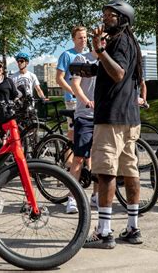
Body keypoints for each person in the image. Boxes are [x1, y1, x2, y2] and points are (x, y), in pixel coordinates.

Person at [83, 0, 143, 249]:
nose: (105, 18)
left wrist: (100, 51)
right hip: (129, 117)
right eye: (104, 14)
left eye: (111, 15)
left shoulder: (119, 41)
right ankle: (132, 228)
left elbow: (118, 73)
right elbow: (121, 74)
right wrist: (96, 65)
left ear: (123, 19)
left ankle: (104, 232)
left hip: (111, 118)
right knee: (130, 171)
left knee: (105, 172)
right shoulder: (127, 42)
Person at [67, 37, 103, 214]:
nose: (103, 43)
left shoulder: (108, 61)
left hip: (103, 117)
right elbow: (75, 85)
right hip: (85, 115)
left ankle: (95, 196)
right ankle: (72, 197)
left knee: (98, 159)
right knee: (79, 158)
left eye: (106, 40)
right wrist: (86, 101)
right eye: (100, 40)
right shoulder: (82, 59)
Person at [56, 26, 87, 142]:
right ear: (73, 39)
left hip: (86, 99)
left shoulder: (88, 55)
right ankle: (68, 160)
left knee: (86, 132)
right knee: (73, 133)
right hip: (73, 100)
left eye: (85, 37)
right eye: (80, 38)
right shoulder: (67, 55)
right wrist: (73, 92)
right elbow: (59, 79)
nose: (83, 40)